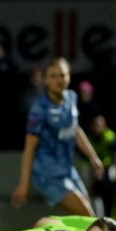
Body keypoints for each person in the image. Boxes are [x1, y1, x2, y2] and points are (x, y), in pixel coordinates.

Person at [11, 57, 104, 217]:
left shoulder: (71, 98)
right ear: (46, 80)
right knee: (88, 216)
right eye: (53, 76)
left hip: (68, 170)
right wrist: (24, 184)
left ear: (69, 77)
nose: (58, 80)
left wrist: (93, 157)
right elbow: (29, 148)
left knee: (84, 219)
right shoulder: (40, 109)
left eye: (62, 75)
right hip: (47, 175)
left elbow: (75, 130)